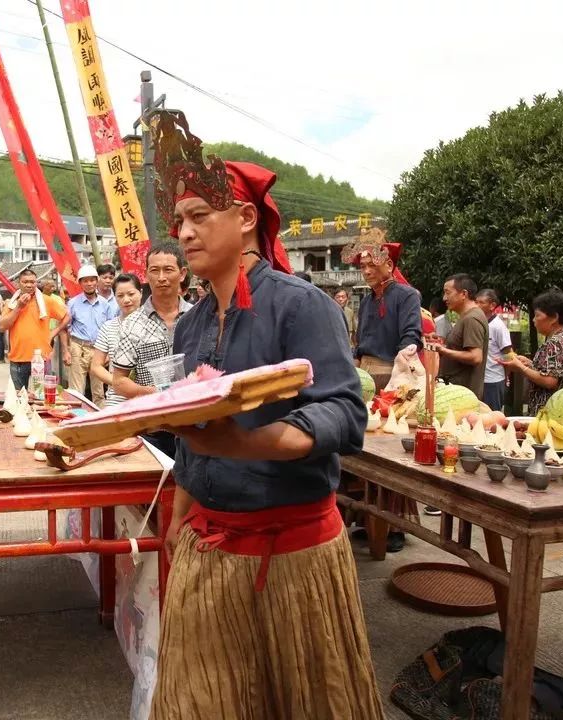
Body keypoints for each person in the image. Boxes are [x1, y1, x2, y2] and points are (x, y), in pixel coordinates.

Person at [147, 113, 380, 719]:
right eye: (179, 221)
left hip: (293, 558)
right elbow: (192, 439)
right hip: (208, 543)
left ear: (246, 218)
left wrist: (249, 444)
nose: (186, 233)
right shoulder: (194, 322)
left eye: (200, 216)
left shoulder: (302, 306)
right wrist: (178, 516)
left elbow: (346, 415)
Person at [111, 242, 192, 455]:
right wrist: (155, 393)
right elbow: (119, 381)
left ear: (182, 273)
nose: (161, 277)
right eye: (154, 270)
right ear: (146, 275)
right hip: (152, 429)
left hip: (195, 427)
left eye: (168, 270)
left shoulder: (199, 317)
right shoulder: (132, 323)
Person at [349, 229, 422, 389]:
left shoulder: (407, 295)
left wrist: (400, 376)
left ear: (389, 265)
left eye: (372, 265)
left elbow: (410, 338)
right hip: (363, 374)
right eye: (362, 267)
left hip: (393, 373)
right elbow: (360, 344)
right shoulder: (366, 301)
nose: (367, 271)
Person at [498, 289, 563, 412]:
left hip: (554, 413)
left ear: (554, 318)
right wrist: (530, 364)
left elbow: (550, 381)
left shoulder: (554, 344)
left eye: (537, 315)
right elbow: (556, 371)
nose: (534, 320)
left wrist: (521, 368)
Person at [0, 269, 68, 391]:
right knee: (19, 399)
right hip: (17, 359)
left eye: (32, 282)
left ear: (36, 283)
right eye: (25, 282)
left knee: (41, 398)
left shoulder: (47, 300)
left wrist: (54, 332)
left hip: (41, 358)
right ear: (18, 284)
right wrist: (18, 307)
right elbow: (2, 327)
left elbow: (67, 316)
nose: (29, 285)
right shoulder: (12, 303)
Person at [64, 265, 119, 405]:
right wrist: (66, 351)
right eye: (85, 281)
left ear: (97, 281)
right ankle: (75, 422)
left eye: (92, 280)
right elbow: (64, 328)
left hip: (98, 350)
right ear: (80, 283)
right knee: (76, 391)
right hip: (78, 348)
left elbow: (111, 330)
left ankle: (100, 422)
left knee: (98, 391)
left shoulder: (105, 304)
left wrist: (108, 354)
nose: (89, 284)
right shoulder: (73, 303)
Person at [89, 274, 143, 407]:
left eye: (131, 294)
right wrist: (119, 383)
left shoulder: (154, 324)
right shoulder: (108, 327)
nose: (126, 300)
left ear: (140, 293)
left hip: (148, 400)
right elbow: (96, 366)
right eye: (120, 296)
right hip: (116, 402)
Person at [436, 273, 488, 398]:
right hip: (455, 393)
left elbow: (475, 357)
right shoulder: (466, 317)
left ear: (463, 294)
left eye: (448, 293)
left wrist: (444, 351)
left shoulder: (472, 319)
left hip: (463, 396)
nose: (444, 298)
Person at [475, 289, 513, 411]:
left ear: (492, 305)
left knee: (492, 417)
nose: (477, 306)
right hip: (479, 379)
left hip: (494, 380)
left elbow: (509, 354)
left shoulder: (498, 327)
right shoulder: (478, 324)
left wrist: (505, 376)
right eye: (476, 302)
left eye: (481, 302)